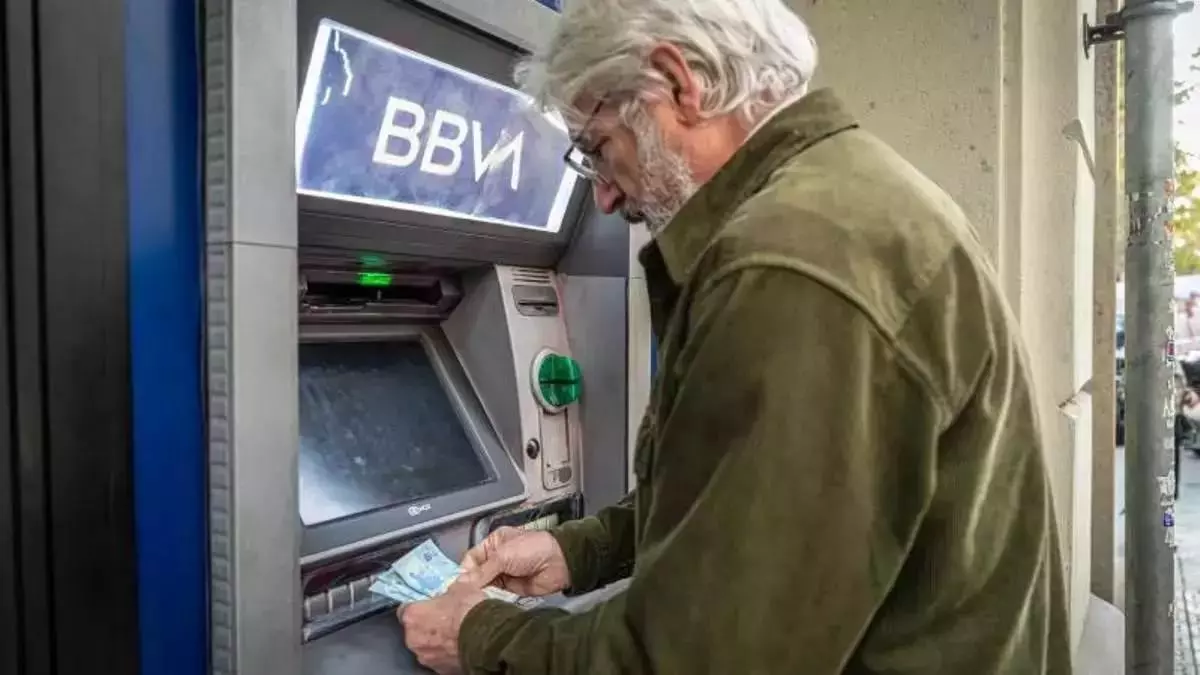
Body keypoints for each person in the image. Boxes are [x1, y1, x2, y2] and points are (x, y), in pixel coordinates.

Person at [398, 0, 1073, 672]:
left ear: (678, 84)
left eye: (599, 149)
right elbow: (765, 510)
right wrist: (580, 550)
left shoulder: (789, 268)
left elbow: (700, 659)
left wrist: (478, 635)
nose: (603, 197)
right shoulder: (852, 202)